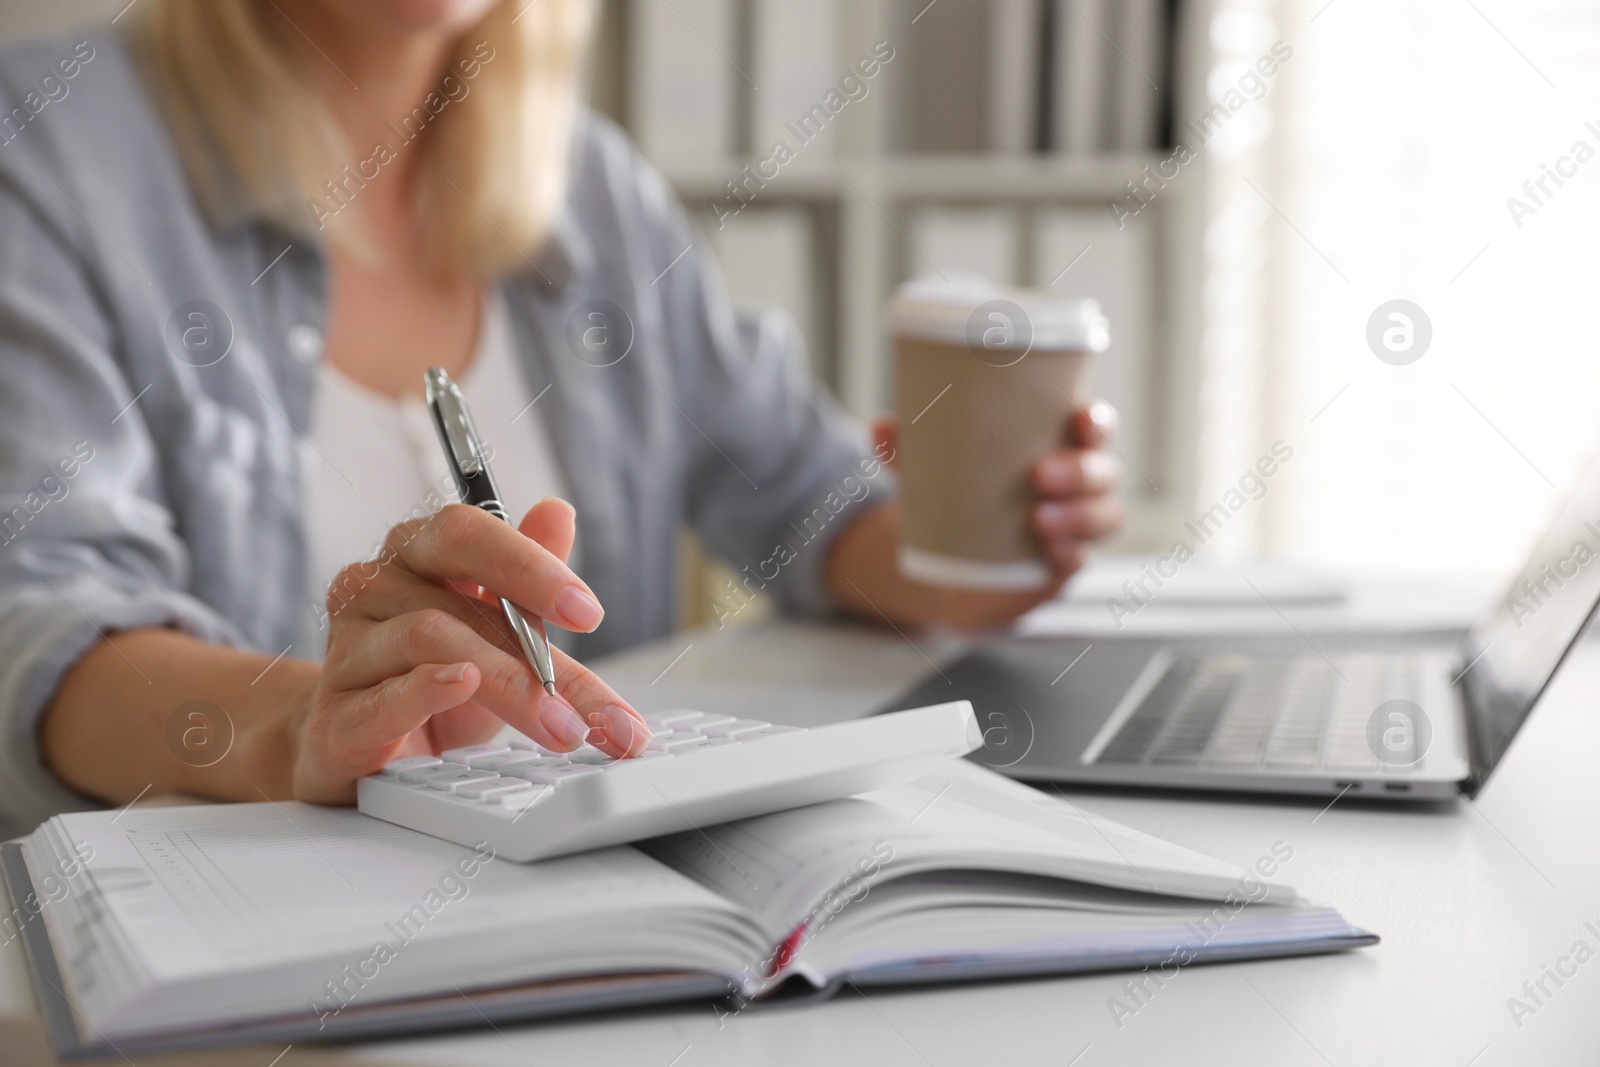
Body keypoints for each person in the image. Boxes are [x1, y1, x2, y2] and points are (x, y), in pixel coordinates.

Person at [0, 0, 1122, 834]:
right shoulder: (46, 145)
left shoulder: (591, 189)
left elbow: (806, 503)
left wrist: (982, 544)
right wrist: (301, 727)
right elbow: (37, 617)